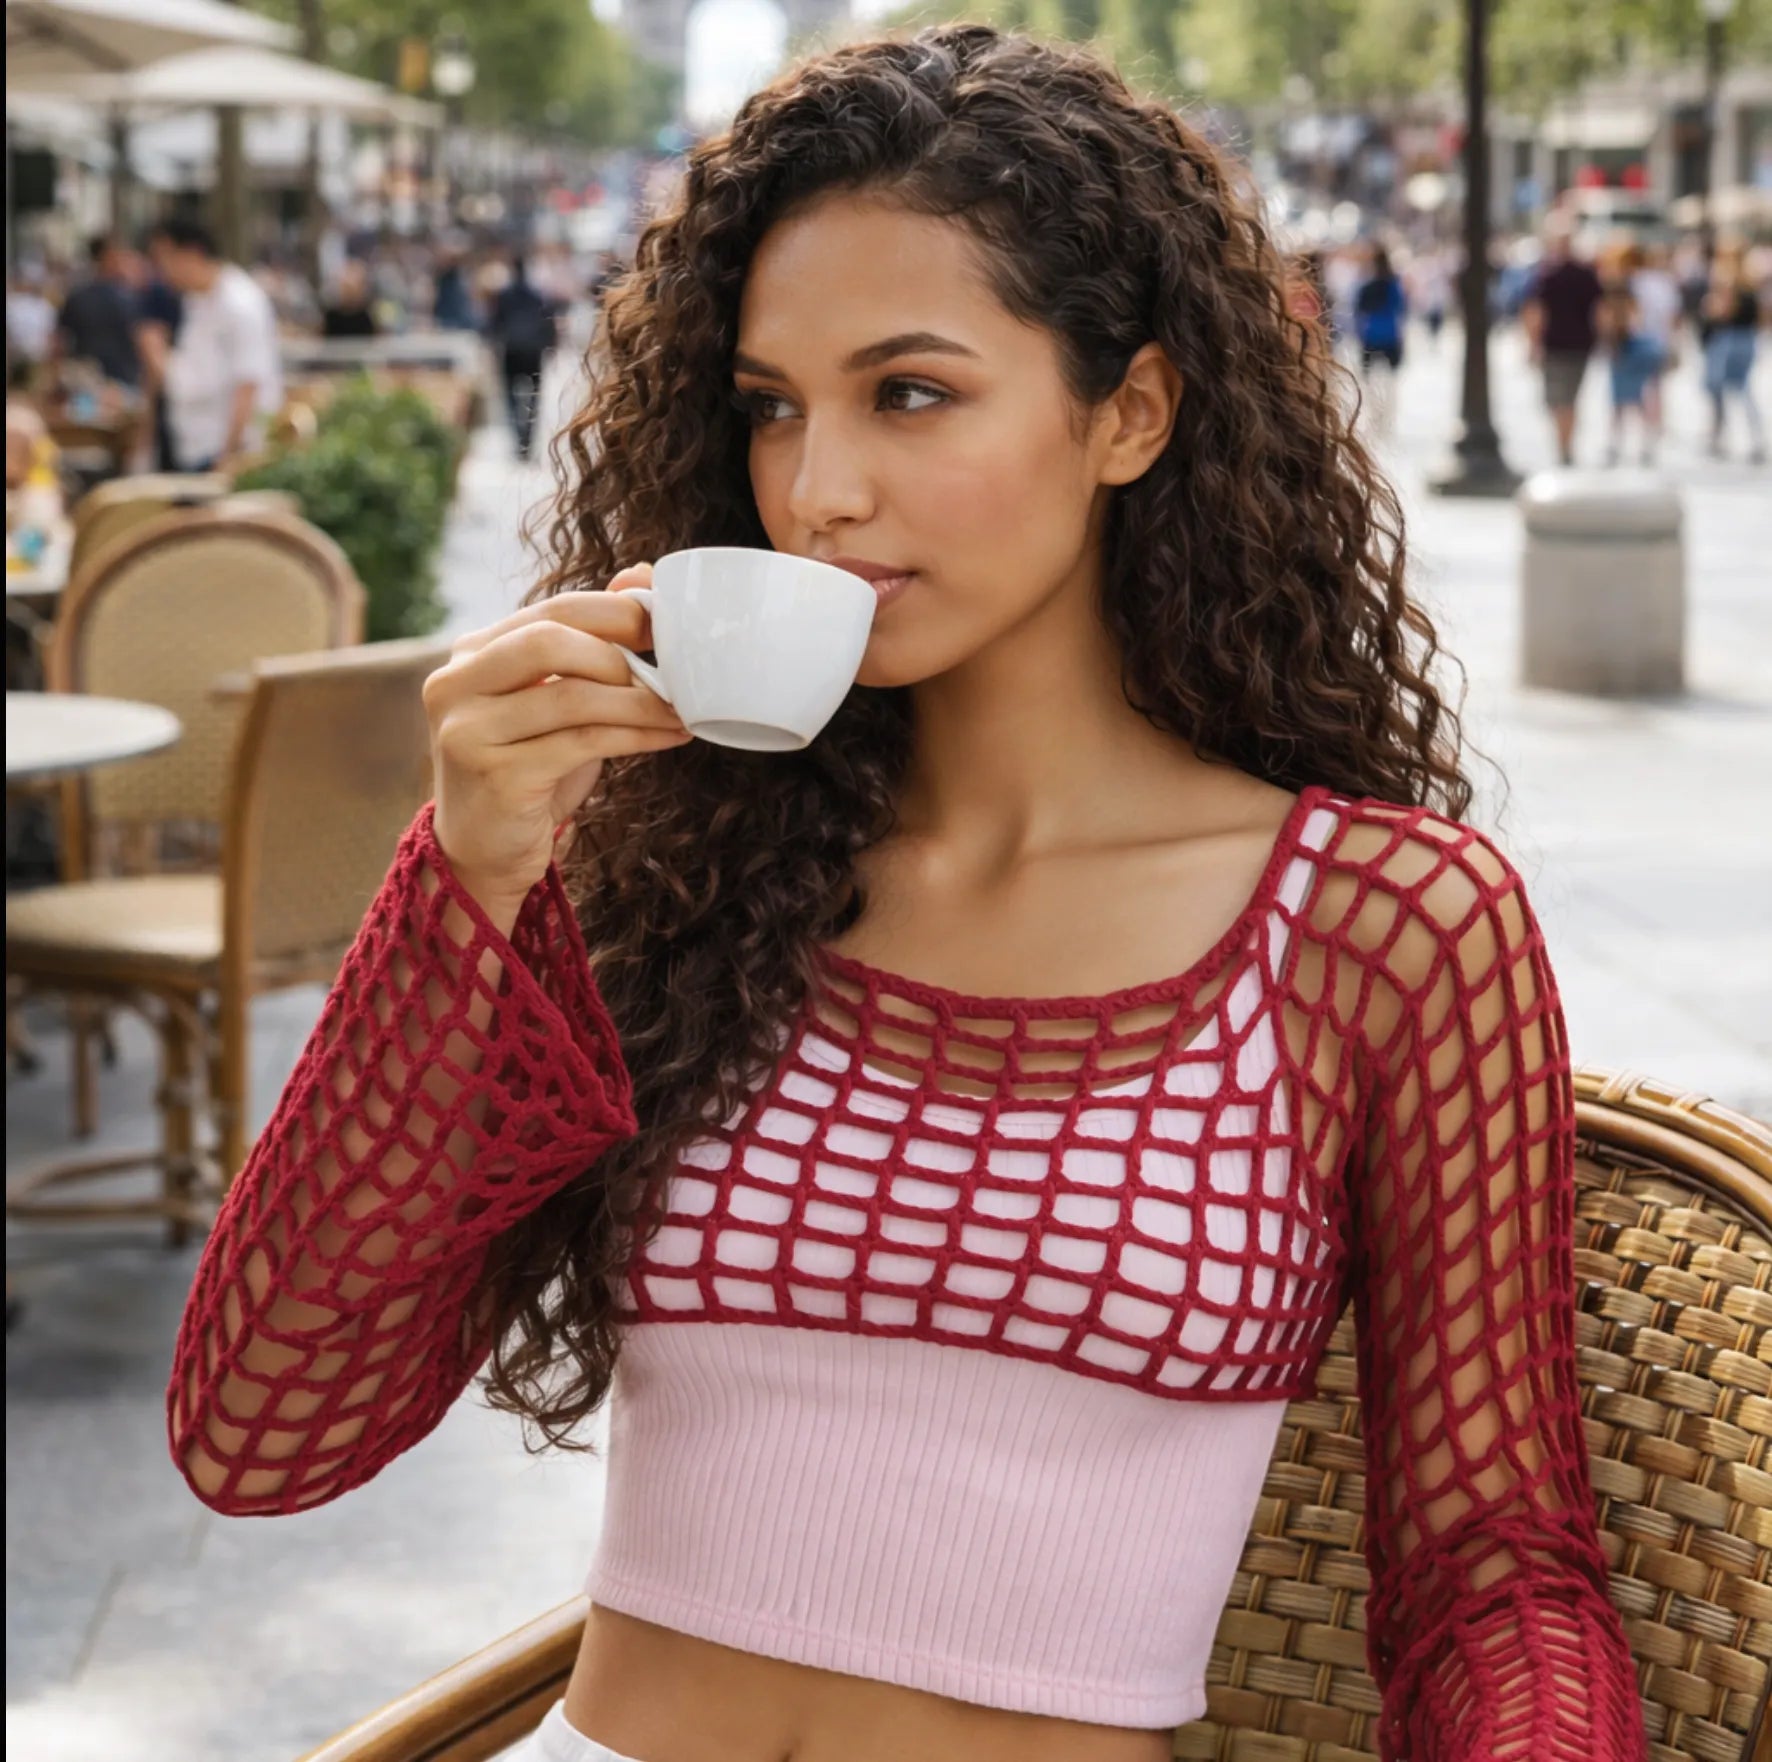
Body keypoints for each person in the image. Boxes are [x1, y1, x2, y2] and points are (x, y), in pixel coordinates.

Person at [166, 28, 1647, 1762]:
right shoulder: (683, 862)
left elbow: (1495, 1578)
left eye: (910, 393)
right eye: (770, 405)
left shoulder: (1379, 926)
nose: (816, 491)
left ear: (1130, 413)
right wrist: (470, 879)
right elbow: (260, 1434)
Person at [145, 216, 283, 472]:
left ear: (191, 254)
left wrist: (228, 456)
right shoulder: (194, 301)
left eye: (164, 258)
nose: (161, 270)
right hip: (193, 448)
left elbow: (248, 383)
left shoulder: (240, 304)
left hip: (225, 455)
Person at [1521, 220, 1603, 467]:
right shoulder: (1554, 275)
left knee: (1561, 399)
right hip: (1568, 345)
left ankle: (1564, 445)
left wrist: (1532, 344)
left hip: (1567, 345)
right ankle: (1565, 444)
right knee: (1565, 400)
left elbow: (1535, 312)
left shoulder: (1554, 274)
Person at [487, 254, 559, 461]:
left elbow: (495, 324)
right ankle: (527, 434)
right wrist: (551, 346)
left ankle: (519, 435)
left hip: (512, 349)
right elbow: (548, 322)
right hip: (533, 351)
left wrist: (493, 346)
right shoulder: (537, 295)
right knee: (534, 396)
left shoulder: (504, 295)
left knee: (510, 397)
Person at [1698, 247, 1766, 464]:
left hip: (1728, 341)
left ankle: (1720, 438)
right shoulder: (1751, 285)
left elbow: (1722, 312)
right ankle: (1752, 439)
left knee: (1722, 389)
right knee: (1740, 390)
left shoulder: (1730, 285)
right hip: (1745, 339)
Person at [54, 234, 142, 388]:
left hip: (99, 378)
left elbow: (60, 341)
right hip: (106, 378)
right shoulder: (129, 297)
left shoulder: (77, 295)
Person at [1598, 254, 1656, 467]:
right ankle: (1624, 444)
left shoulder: (1628, 301)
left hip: (1628, 351)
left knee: (1629, 402)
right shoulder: (1616, 301)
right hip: (1621, 352)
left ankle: (1638, 444)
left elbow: (1634, 323)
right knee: (1622, 403)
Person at [1351, 243, 1407, 433]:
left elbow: (1358, 311)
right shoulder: (1394, 285)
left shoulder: (1367, 285)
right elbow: (1401, 310)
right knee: (1390, 380)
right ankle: (1387, 416)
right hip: (1390, 336)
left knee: (1369, 379)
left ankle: (1376, 413)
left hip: (1371, 336)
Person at [320, 258, 380, 339]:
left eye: (353, 289)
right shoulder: (331, 316)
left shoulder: (369, 316)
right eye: (346, 288)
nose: (350, 293)